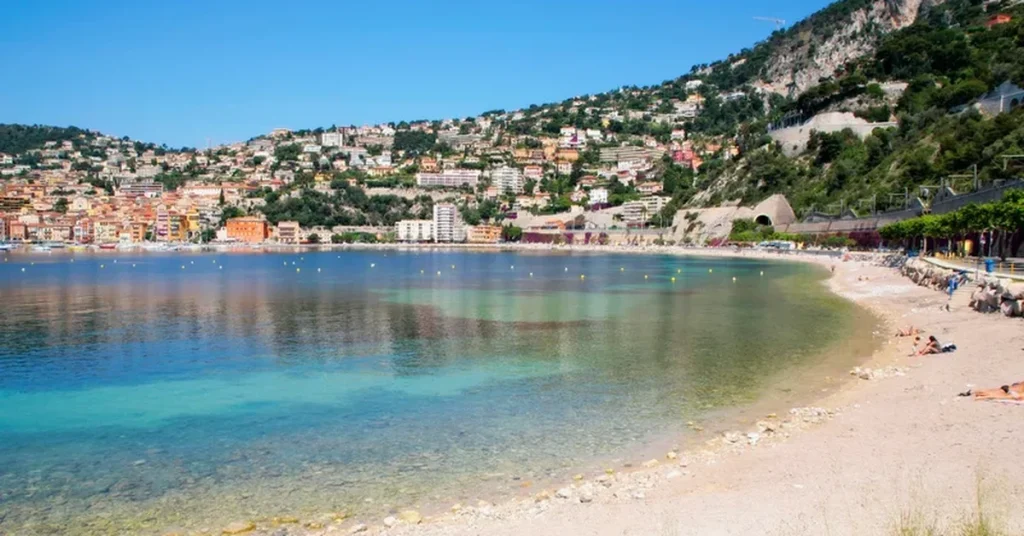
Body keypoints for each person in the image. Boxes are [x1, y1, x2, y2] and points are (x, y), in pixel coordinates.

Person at [959, 382, 1024, 401]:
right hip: (1013, 391)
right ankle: (982, 396)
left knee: (996, 391)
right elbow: (1019, 397)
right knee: (996, 395)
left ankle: (972, 392)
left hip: (1009, 388)